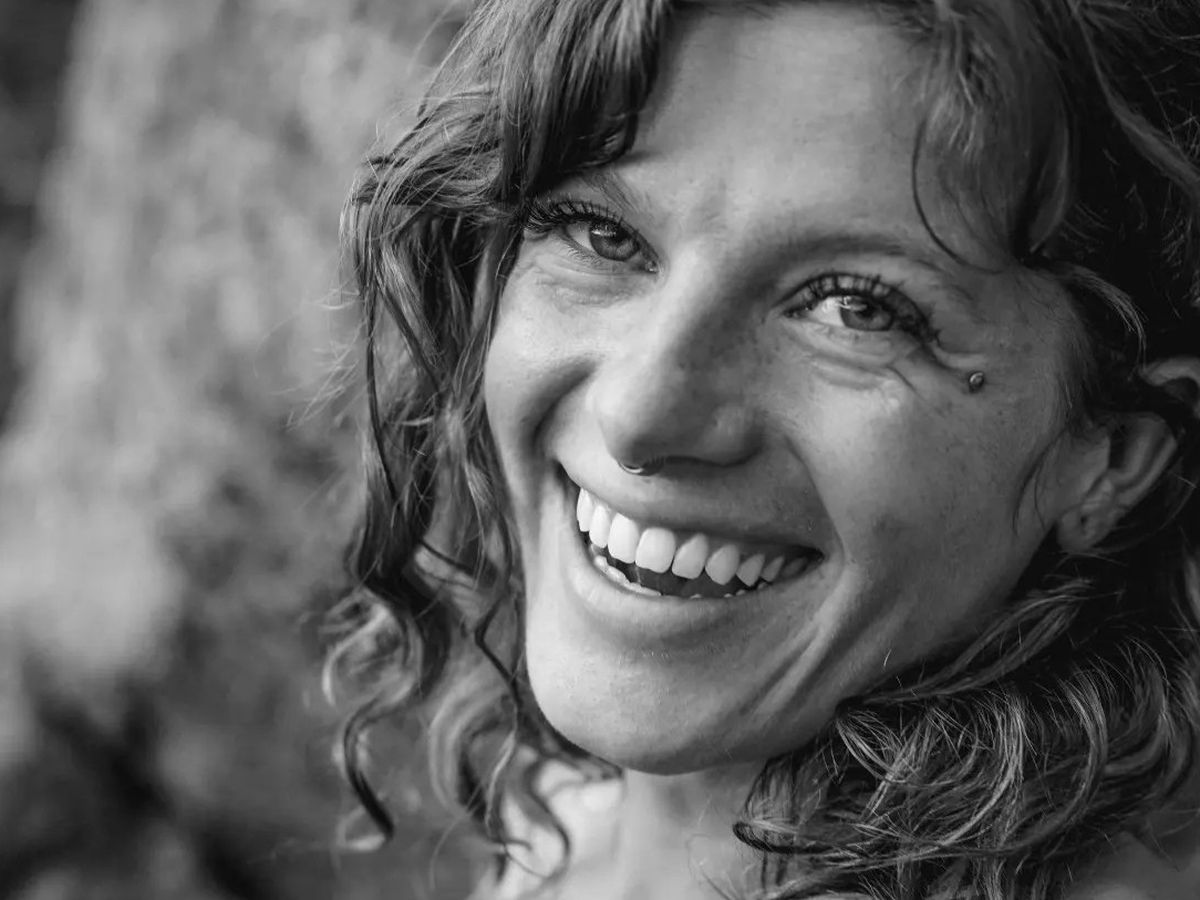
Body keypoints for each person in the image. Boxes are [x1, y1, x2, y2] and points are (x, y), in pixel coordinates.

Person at [326, 1, 1200, 897]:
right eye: (602, 233)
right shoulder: (565, 807)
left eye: (859, 308)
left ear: (1113, 460)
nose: (638, 414)